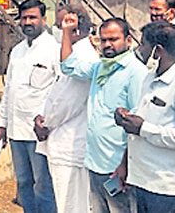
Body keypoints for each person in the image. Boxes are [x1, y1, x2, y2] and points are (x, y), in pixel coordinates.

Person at [115, 21, 175, 213]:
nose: (139, 50)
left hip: (166, 189)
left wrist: (144, 128)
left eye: (143, 45)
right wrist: (127, 119)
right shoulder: (150, 77)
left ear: (158, 50)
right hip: (142, 180)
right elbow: (142, 122)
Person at [60, 15, 147, 213]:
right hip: (95, 162)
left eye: (113, 39)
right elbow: (68, 66)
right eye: (103, 40)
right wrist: (66, 32)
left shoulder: (135, 73)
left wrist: (125, 166)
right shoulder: (101, 67)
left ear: (128, 40)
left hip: (118, 167)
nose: (107, 44)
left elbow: (137, 125)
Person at [0, 0, 59, 213]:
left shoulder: (54, 50)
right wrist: (2, 125)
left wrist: (49, 121)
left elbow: (61, 91)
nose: (28, 22)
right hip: (16, 131)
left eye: (33, 17)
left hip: (40, 132)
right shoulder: (17, 51)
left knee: (43, 185)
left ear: (44, 19)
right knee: (23, 183)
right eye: (24, 18)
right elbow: (10, 91)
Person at [33, 5, 98, 213]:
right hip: (63, 141)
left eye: (60, 26)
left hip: (71, 145)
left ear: (74, 29)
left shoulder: (84, 58)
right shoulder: (72, 55)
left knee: (72, 205)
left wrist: (46, 124)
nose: (56, 30)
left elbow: (67, 102)